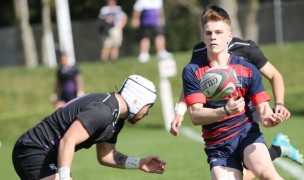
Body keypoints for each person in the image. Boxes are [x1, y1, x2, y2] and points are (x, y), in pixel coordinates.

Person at [170, 13, 304, 168]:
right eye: (209, 32)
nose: (213, 36)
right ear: (204, 34)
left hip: (247, 107)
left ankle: (274, 151)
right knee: (246, 172)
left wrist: (279, 104)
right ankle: (277, 150)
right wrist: (180, 111)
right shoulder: (200, 50)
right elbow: (194, 85)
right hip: (217, 119)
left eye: (219, 31)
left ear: (228, 34)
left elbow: (274, 75)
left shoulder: (247, 49)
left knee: (258, 169)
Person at [12, 74, 166, 179]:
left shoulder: (116, 117)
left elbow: (106, 156)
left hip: (48, 154)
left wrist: (139, 163)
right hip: (32, 150)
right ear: (137, 101)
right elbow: (68, 141)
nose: (147, 113)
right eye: (148, 106)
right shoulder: (103, 111)